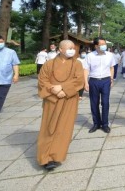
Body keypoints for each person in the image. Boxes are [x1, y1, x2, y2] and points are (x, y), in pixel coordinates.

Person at [36, 40, 84, 170]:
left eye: (73, 48)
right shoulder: (49, 64)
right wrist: (53, 89)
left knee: (64, 127)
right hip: (52, 100)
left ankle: (56, 156)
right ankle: (45, 158)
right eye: (69, 48)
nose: (72, 50)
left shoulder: (77, 64)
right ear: (61, 49)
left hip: (69, 99)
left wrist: (63, 89)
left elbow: (79, 80)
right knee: (48, 126)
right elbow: (42, 80)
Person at [83, 37, 117, 133]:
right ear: (96, 46)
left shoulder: (110, 55)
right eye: (101, 44)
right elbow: (86, 69)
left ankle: (105, 124)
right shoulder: (90, 56)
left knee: (105, 103)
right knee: (94, 103)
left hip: (106, 81)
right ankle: (96, 124)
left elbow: (112, 68)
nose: (104, 46)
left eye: (104, 44)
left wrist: (111, 79)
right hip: (94, 81)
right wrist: (85, 82)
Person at [0, 35, 20, 124]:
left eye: (0, 42)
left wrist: (16, 75)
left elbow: (15, 64)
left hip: (4, 79)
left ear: (4, 41)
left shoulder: (11, 52)